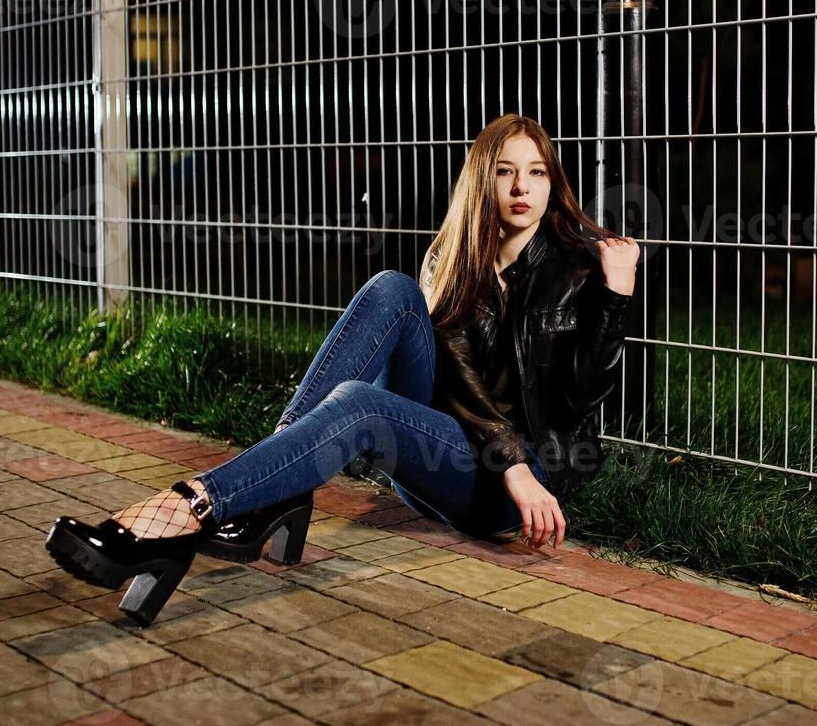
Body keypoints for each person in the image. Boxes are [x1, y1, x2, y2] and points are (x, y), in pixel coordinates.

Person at [45, 113, 638, 612]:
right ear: (481, 181)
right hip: (441, 445)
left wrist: (615, 297)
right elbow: (453, 381)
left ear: (552, 181)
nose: (520, 187)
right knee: (389, 289)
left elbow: (577, 402)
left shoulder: (576, 268)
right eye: (505, 171)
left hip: (513, 482)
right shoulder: (451, 260)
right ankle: (272, 494)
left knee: (358, 405)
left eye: (535, 172)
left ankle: (184, 510)